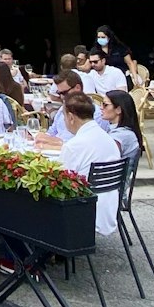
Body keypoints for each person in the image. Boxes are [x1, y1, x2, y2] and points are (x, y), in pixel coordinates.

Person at [58, 92, 122, 235]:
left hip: (84, 213)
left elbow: (60, 183)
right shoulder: (109, 140)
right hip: (108, 210)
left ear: (70, 117)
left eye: (64, 117)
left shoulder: (74, 146)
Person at [37, 70, 83, 147]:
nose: (62, 97)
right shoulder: (62, 108)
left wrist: (57, 142)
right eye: (59, 93)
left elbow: (84, 144)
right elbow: (52, 132)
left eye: (64, 93)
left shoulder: (92, 112)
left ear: (77, 88)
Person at [98, 90, 142, 165]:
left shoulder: (121, 135)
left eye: (105, 105)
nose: (101, 108)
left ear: (118, 110)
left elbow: (105, 158)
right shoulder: (122, 131)